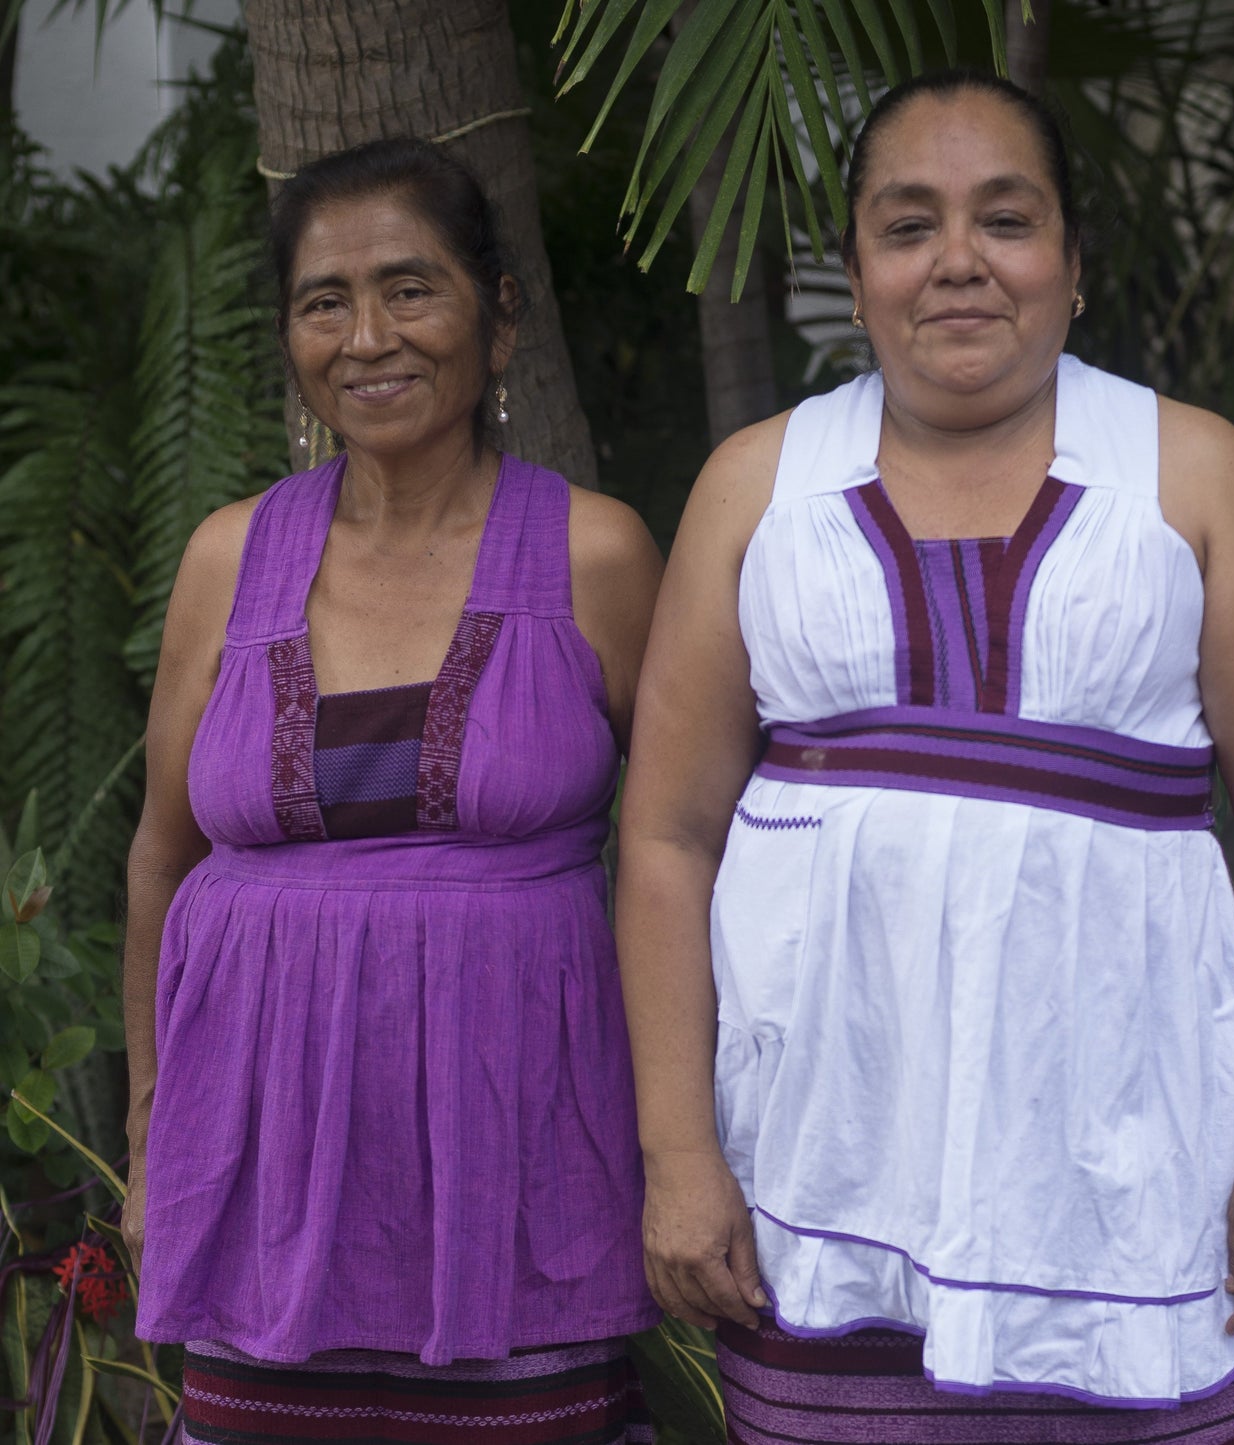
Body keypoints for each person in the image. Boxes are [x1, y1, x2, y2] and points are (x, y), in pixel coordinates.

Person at [617, 69, 1234, 1443]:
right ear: (854, 271)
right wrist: (678, 1152)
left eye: (1003, 219)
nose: (956, 260)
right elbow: (666, 835)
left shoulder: (1188, 476)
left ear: (1072, 263)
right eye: (908, 226)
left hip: (1132, 1184)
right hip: (822, 1183)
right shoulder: (756, 487)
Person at [121, 137, 663, 1445]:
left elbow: (685, 851)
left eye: (410, 288)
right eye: (325, 300)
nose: (368, 336)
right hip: (256, 1176)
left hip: (520, 1172)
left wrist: (687, 1144)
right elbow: (159, 858)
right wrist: (152, 1137)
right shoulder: (228, 558)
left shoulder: (595, 551)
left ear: (498, 312)